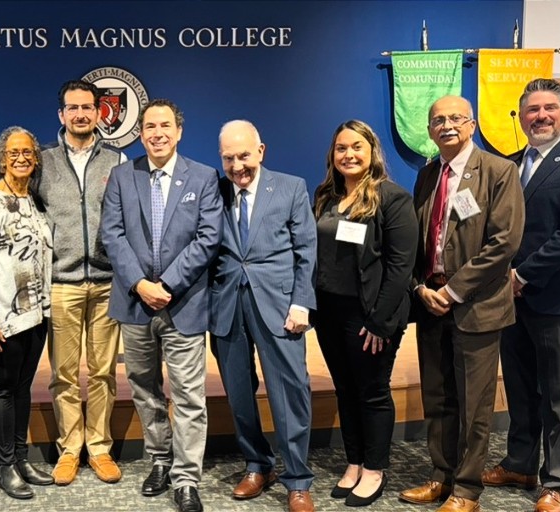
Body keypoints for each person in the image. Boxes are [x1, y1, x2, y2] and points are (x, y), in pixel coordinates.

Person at [480, 78, 560, 512]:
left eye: (550, 108)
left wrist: (522, 276)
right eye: (532, 109)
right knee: (518, 387)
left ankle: (556, 482)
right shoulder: (509, 165)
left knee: (559, 395)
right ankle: (519, 462)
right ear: (521, 115)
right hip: (509, 301)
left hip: (557, 297)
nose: (541, 116)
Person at [399, 96, 524, 512]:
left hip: (477, 307)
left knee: (474, 405)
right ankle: (441, 476)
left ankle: (467, 489)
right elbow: (419, 241)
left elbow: (503, 243)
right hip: (431, 304)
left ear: (471, 124)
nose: (446, 125)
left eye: (455, 118)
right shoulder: (427, 175)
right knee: (437, 398)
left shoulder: (499, 171)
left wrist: (453, 291)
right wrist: (420, 289)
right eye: (438, 120)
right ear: (430, 130)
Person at [100, 99, 221, 512]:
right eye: (149, 126)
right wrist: (140, 283)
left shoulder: (204, 177)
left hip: (183, 302)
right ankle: (159, 460)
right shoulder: (120, 176)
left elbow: (208, 237)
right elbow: (112, 235)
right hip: (134, 305)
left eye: (165, 125)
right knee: (144, 390)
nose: (157, 133)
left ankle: (186, 479)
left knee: (189, 396)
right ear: (140, 132)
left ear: (179, 131)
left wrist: (166, 284)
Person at [208, 120, 318, 512]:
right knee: (239, 395)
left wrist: (301, 303)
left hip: (280, 308)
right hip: (226, 309)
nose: (237, 165)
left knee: (289, 394)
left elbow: (306, 250)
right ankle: (258, 464)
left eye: (244, 156)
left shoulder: (290, 187)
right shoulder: (214, 191)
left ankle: (298, 479)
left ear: (261, 151)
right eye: (228, 158)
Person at [311, 120, 418, 507]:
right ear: (332, 155)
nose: (349, 155)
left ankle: (375, 468)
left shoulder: (392, 198)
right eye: (341, 148)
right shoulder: (325, 196)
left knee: (372, 391)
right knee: (345, 389)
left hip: (370, 314)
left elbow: (400, 266)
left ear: (372, 151)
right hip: (329, 312)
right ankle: (354, 461)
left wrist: (380, 321)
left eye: (357, 146)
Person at [34, 79, 125, 486]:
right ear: (61, 115)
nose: (81, 114)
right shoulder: (42, 161)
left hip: (107, 282)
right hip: (62, 282)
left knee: (104, 372)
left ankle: (100, 447)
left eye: (88, 107)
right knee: (64, 374)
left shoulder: (119, 161)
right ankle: (70, 449)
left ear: (99, 112)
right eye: (73, 108)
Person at [0, 126, 55, 500]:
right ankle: (4, 467)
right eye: (14, 152)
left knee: (22, 387)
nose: (21, 158)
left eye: (28, 152)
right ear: (2, 158)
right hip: (1, 319)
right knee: (3, 388)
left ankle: (20, 458)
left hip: (35, 314)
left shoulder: (34, 202)